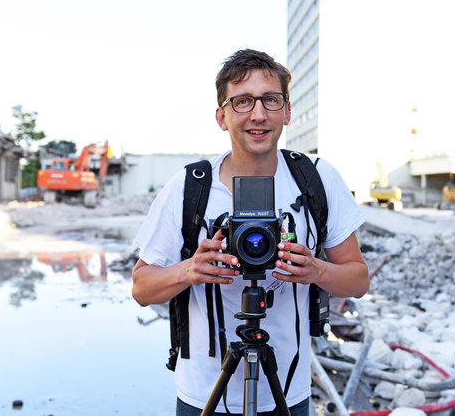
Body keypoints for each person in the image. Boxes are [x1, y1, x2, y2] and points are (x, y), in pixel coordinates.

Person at [132, 48, 369, 416]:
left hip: (287, 391)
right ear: (221, 116)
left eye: (270, 100)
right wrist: (191, 270)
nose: (258, 114)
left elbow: (357, 280)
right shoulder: (189, 187)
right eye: (242, 101)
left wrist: (316, 270)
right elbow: (141, 288)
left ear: (287, 111)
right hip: (202, 393)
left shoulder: (317, 179)